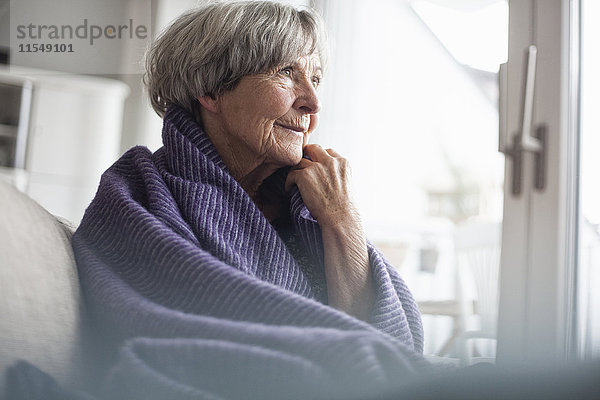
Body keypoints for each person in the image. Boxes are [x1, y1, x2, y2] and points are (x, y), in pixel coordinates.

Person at [8, 2, 425, 399]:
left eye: (314, 79)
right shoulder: (139, 194)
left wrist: (342, 221)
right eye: (286, 72)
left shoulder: (309, 204)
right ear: (210, 89)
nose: (313, 103)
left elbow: (389, 344)